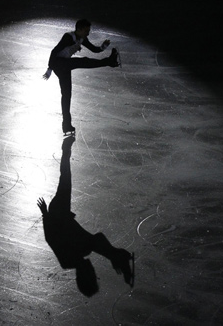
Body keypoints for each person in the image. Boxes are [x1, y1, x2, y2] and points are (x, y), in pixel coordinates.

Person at [37, 136, 133, 296]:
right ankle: (117, 257)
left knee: (65, 176)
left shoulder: (68, 259)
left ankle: (65, 148)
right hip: (62, 217)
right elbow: (98, 239)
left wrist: (45, 214)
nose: (94, 271)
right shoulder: (81, 251)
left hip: (57, 212)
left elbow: (51, 239)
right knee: (93, 243)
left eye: (92, 275)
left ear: (84, 276)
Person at [43, 19, 120, 134]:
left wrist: (103, 47)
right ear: (79, 29)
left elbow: (94, 50)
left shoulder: (82, 38)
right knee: (83, 61)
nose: (88, 33)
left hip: (65, 66)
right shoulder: (68, 37)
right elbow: (54, 51)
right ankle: (109, 61)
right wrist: (49, 68)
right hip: (59, 64)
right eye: (86, 31)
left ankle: (67, 125)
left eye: (89, 31)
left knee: (67, 95)